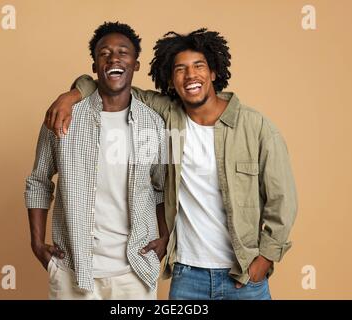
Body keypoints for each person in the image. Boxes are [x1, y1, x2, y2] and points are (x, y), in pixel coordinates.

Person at [44, 28, 298, 300]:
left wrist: (266, 259)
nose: (190, 76)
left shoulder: (255, 127)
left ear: (213, 72)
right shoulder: (166, 114)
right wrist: (71, 95)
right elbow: (112, 82)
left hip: (243, 274)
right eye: (180, 69)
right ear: (170, 79)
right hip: (187, 275)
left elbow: (283, 200)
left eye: (199, 66)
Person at [24, 22, 168, 300]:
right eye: (105, 53)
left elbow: (160, 188)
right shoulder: (63, 117)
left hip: (134, 273)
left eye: (123, 52)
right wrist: (36, 243)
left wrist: (164, 238)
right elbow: (39, 182)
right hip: (71, 270)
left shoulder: (153, 124)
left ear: (135, 65)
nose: (114, 58)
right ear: (94, 66)